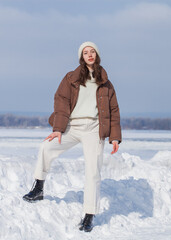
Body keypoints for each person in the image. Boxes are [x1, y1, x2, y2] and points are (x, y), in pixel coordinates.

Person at [23, 41, 122, 232]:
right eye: (86, 52)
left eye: (92, 51)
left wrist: (115, 137)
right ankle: (38, 188)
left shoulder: (106, 82)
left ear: (97, 55)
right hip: (72, 126)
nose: (89, 54)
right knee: (46, 147)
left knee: (93, 170)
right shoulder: (71, 78)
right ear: (81, 57)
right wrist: (58, 129)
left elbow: (114, 110)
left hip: (94, 128)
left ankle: (89, 215)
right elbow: (61, 101)